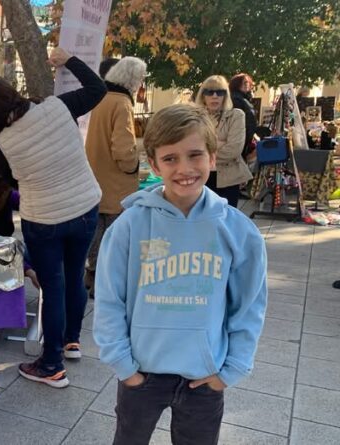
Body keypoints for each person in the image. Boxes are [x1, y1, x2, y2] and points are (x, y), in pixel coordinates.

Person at [94, 103, 268, 445]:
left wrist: (231, 370)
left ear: (213, 157)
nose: (184, 168)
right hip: (141, 374)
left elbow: (249, 306)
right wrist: (123, 366)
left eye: (195, 155)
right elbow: (110, 298)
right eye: (170, 158)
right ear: (154, 163)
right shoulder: (130, 226)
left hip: (205, 377)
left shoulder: (237, 230)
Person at [0, 47, 106, 388]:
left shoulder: (3, 143)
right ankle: (72, 342)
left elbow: (13, 181)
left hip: (44, 219)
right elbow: (97, 89)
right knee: (75, 277)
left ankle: (51, 365)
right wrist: (69, 60)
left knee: (53, 287)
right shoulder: (58, 107)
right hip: (85, 208)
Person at [84, 56, 147, 299]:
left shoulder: (99, 97)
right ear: (133, 79)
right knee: (116, 237)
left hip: (95, 178)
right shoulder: (122, 103)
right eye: (141, 79)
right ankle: (105, 285)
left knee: (96, 234)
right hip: (116, 182)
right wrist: (134, 166)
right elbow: (123, 149)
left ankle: (92, 276)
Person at [195, 75, 251, 207]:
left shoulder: (236, 115)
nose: (215, 96)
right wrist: (220, 143)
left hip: (228, 179)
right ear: (203, 95)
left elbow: (234, 150)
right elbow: (188, 147)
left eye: (220, 92)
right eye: (210, 92)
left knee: (226, 217)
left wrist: (203, 150)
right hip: (200, 176)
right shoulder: (195, 117)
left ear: (225, 95)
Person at [228, 73, 258, 159]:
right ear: (237, 84)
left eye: (248, 82)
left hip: (246, 139)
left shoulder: (243, 99)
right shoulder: (236, 99)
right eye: (244, 82)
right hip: (240, 140)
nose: (247, 85)